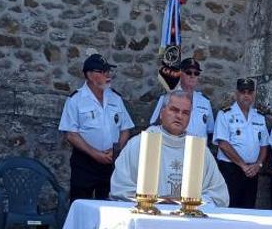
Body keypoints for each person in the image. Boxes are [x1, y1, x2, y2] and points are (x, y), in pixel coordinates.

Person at [110, 90, 229, 206]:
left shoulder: (199, 150)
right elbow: (120, 187)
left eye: (185, 113)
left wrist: (188, 203)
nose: (179, 116)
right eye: (174, 110)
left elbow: (219, 195)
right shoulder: (139, 144)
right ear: (162, 113)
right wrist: (156, 201)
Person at [59, 53, 135, 202]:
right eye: (102, 72)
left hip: (110, 162)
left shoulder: (115, 98)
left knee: (109, 204)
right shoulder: (76, 100)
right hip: (85, 162)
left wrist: (116, 149)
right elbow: (71, 134)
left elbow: (125, 128)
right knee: (80, 203)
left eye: (108, 71)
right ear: (89, 75)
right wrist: (95, 154)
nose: (108, 75)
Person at [212, 78, 269, 208]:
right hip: (231, 169)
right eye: (243, 92)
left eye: (249, 92)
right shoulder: (225, 114)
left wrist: (258, 165)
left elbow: (264, 145)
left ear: (254, 95)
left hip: (252, 171)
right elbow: (223, 143)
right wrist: (243, 165)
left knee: (248, 209)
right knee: (228, 207)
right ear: (237, 94)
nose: (246, 95)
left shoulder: (259, 117)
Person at [149, 58, 214, 138]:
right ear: (180, 74)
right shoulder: (169, 95)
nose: (192, 76)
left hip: (198, 147)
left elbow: (210, 130)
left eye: (196, 73)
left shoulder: (205, 102)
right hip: (174, 145)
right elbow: (155, 123)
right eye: (188, 72)